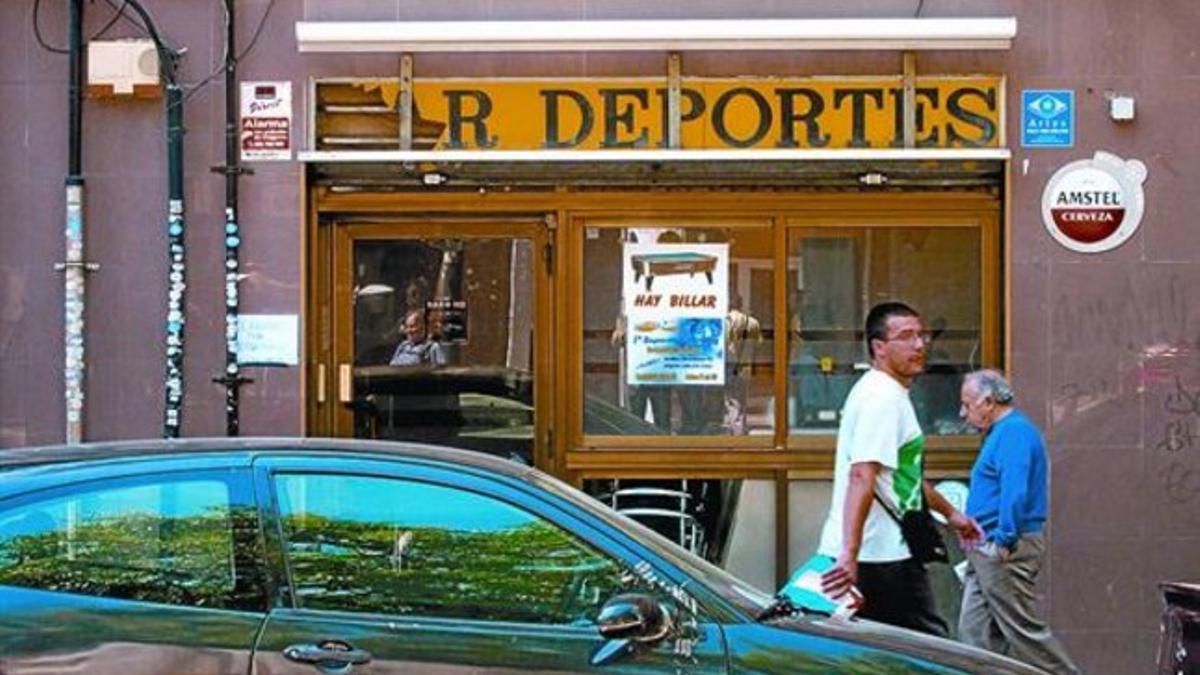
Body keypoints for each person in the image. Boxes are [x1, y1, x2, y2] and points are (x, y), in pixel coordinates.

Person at [817, 302, 981, 636]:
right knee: (930, 650)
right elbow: (862, 475)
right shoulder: (882, 398)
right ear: (879, 347)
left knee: (875, 652)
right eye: (906, 337)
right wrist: (849, 554)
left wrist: (951, 514)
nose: (919, 345)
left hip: (881, 551)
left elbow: (902, 478)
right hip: (879, 555)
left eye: (921, 336)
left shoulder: (885, 392)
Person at [957, 369, 1081, 674]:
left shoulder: (1013, 433)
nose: (963, 413)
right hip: (987, 546)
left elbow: (1015, 489)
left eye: (967, 404)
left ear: (988, 401)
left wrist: (1004, 538)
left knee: (1023, 633)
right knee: (974, 636)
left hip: (1004, 546)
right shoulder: (1005, 432)